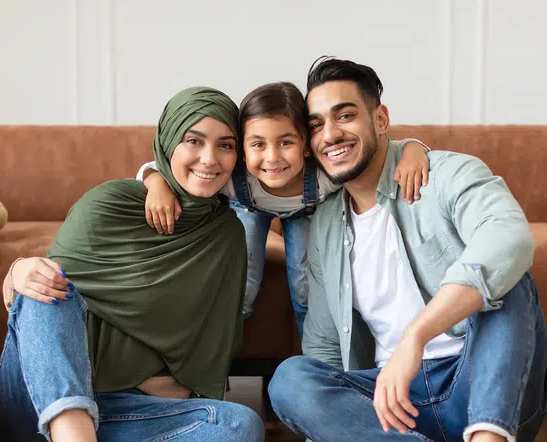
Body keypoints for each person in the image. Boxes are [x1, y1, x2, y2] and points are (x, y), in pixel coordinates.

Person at [268, 58, 547, 442]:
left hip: (485, 391)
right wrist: (332, 435)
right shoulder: (326, 223)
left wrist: (415, 335)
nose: (331, 133)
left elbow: (509, 241)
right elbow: (326, 339)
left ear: (380, 119)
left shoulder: (446, 174)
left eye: (345, 115)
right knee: (290, 379)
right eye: (316, 125)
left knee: (508, 286)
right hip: (396, 408)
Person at [0, 87, 285, 442]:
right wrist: (18, 272)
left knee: (242, 429)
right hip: (36, 412)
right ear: (166, 142)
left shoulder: (224, 236)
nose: (209, 158)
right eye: (193, 141)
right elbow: (43, 317)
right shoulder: (110, 203)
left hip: (120, 419)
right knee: (46, 284)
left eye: (225, 145)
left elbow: (210, 349)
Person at [135, 81, 432, 339]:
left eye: (286, 142)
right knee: (242, 289)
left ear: (305, 145)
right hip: (249, 208)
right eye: (258, 145)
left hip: (305, 212)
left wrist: (414, 149)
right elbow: (155, 168)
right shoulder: (231, 176)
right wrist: (156, 184)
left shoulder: (324, 175)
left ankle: (314, 363)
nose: (272, 157)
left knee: (305, 288)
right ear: (242, 148)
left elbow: (381, 152)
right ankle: (216, 366)